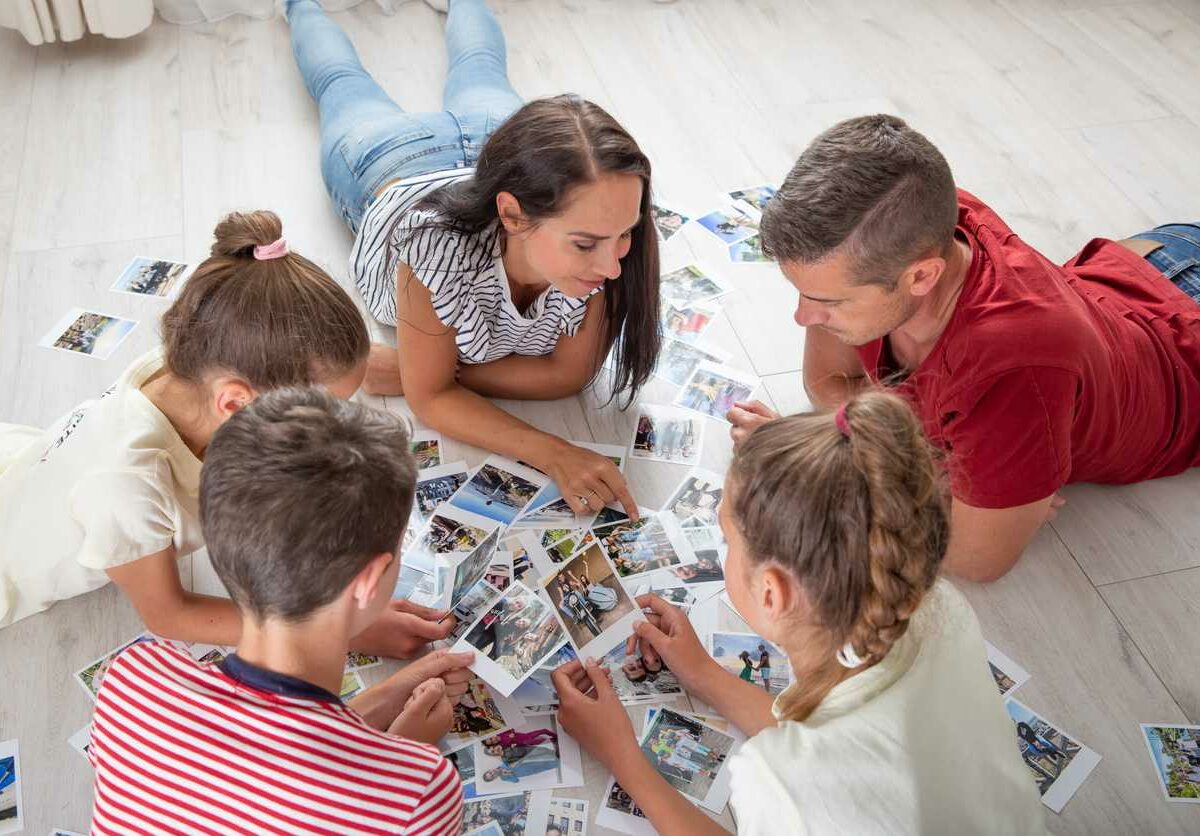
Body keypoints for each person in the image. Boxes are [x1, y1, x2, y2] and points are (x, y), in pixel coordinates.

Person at [729, 114, 1200, 582]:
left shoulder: (1014, 373)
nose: (803, 317)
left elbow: (976, 560)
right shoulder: (915, 218)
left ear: (922, 276)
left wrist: (813, 479)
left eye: (828, 301)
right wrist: (931, 468)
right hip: (1156, 259)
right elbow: (827, 384)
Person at [553, 391, 1046, 834]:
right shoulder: (939, 608)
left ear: (772, 592)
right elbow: (836, 742)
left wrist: (623, 756)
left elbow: (818, 764)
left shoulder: (779, 778)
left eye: (728, 541)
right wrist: (703, 674)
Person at [0, 211, 450, 657]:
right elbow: (169, 615)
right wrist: (341, 630)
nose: (336, 424)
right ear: (235, 402)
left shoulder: (196, 361)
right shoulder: (127, 491)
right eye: (322, 408)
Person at [284, 0, 659, 521]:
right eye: (585, 243)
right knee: (340, 80)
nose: (614, 266)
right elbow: (432, 399)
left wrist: (427, 370)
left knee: (480, 61)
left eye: (626, 234)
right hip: (393, 162)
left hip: (496, 141)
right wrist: (555, 451)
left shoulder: (607, 228)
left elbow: (566, 376)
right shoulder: (433, 248)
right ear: (512, 215)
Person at [87, 388, 473, 833]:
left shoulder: (130, 682)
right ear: (368, 580)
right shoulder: (420, 795)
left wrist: (385, 707)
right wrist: (404, 755)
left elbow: (243, 779)